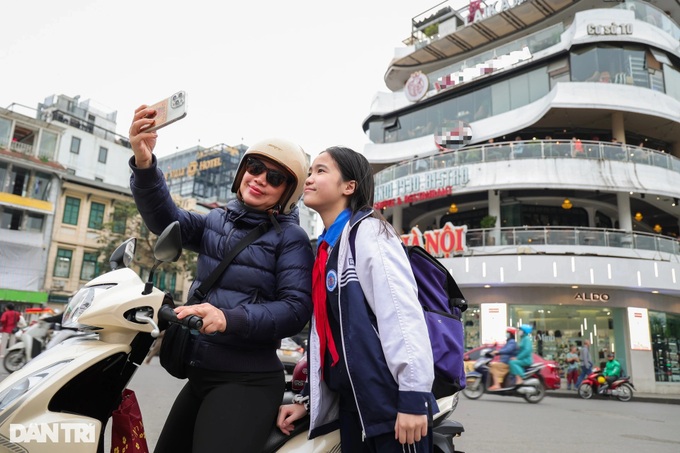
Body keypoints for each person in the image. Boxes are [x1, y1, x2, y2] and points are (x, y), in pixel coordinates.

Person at [128, 105, 314, 453]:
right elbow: (165, 221)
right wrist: (144, 162)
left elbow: (296, 308)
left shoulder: (291, 238)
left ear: (289, 191)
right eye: (255, 168)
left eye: (275, 178)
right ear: (243, 170)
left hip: (247, 381)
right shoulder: (217, 221)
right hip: (201, 374)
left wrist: (228, 318)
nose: (259, 179)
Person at [277, 146, 437, 451]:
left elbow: (401, 314)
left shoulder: (369, 232)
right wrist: (309, 404)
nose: (309, 179)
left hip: (390, 404)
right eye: (310, 172)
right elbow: (329, 339)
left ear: (349, 186)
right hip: (355, 406)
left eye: (321, 171)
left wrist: (414, 397)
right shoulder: (326, 250)